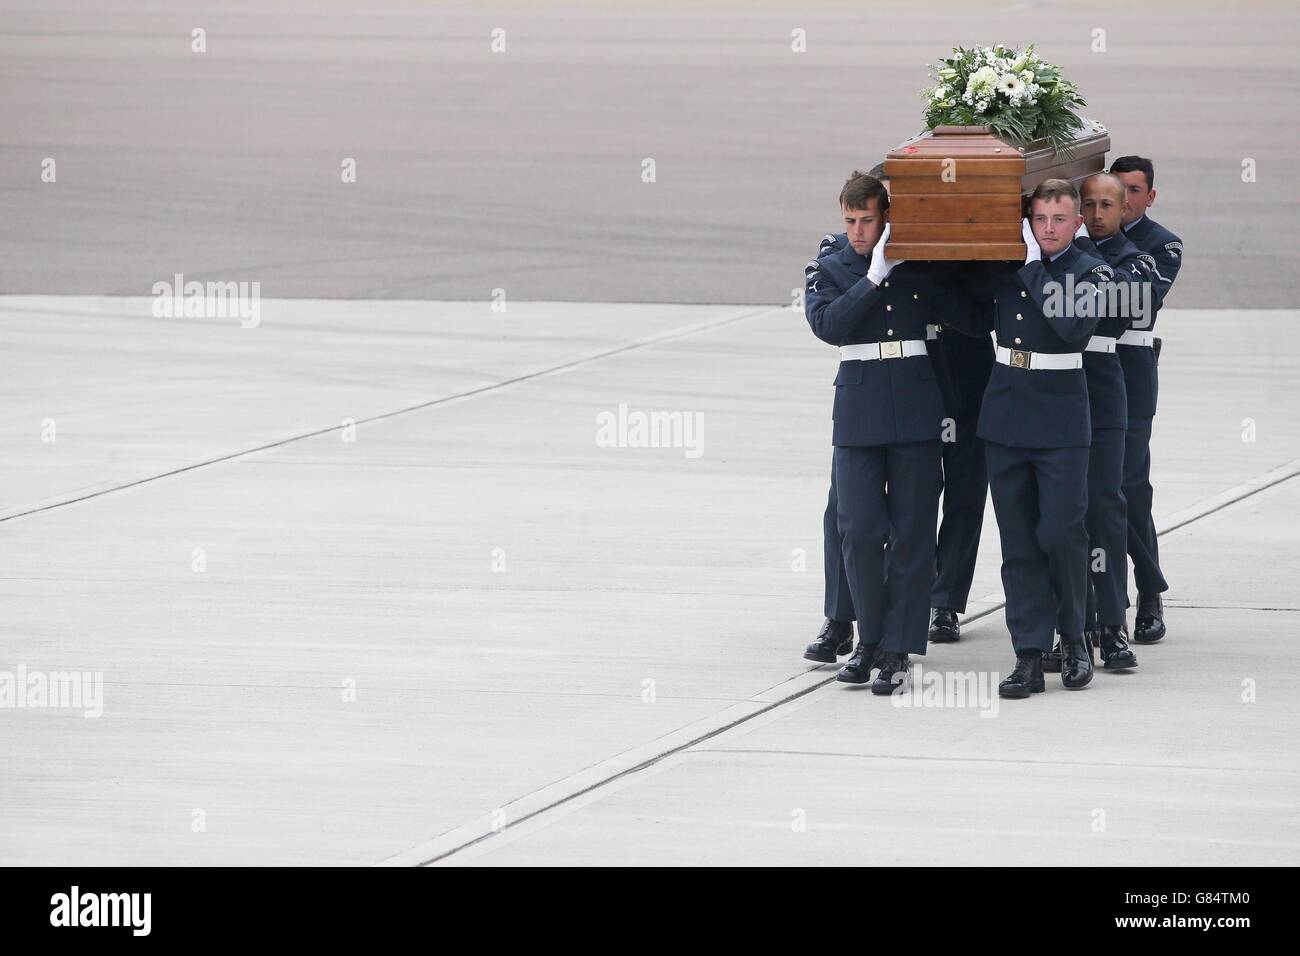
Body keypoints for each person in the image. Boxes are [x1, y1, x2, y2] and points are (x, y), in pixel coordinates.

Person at [948, 179, 1115, 699]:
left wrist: (1027, 264)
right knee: (1018, 539)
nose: (1047, 229)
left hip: (1061, 420)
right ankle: (1027, 651)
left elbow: (1071, 328)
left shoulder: (1092, 272)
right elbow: (967, 313)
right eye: (1039, 219)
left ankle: (1073, 638)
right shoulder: (1009, 264)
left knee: (1063, 534)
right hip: (1006, 416)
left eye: (1058, 220)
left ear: (1077, 223)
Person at [803, 171, 950, 694]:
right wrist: (873, 278)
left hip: (913, 403)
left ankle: (896, 648)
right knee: (859, 529)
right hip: (859, 410)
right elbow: (828, 326)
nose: (859, 231)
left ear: (885, 216)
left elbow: (969, 314)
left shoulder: (915, 261)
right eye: (851, 220)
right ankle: (866, 634)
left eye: (867, 220)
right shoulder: (832, 263)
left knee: (912, 533)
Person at [1042, 172, 1147, 672]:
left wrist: (1075, 268)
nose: (1100, 213)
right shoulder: (1053, 253)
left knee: (1105, 507)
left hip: (1102, 387)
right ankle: (1070, 625)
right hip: (1057, 388)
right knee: (1062, 517)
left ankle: (1112, 623)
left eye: (1109, 204)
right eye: (1091, 204)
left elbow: (1130, 305)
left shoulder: (1133, 260)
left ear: (1124, 207)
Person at [1110, 155, 1184, 643]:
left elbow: (1136, 304)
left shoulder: (1163, 244)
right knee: (1094, 492)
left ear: (1150, 196)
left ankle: (1149, 591)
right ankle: (1108, 600)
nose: (1125, 198)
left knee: (1131, 487)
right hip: (1085, 371)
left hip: (1131, 373)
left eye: (1134, 191)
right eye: (1118, 190)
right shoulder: (1084, 236)